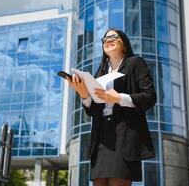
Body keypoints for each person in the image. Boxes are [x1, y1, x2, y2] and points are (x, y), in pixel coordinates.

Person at [67, 28, 156, 186]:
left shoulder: (135, 63)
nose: (108, 40)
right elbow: (93, 110)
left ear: (125, 45)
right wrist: (83, 93)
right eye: (105, 39)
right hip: (101, 136)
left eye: (114, 36)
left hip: (124, 134)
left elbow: (150, 97)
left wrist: (119, 98)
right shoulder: (100, 72)